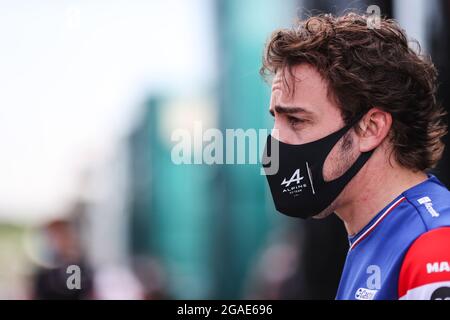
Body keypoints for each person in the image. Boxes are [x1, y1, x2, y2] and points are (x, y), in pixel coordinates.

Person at [260, 12, 450, 300]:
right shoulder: (370, 234)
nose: (276, 141)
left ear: (371, 127)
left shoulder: (433, 245)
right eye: (276, 120)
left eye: (297, 121)